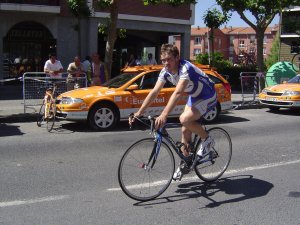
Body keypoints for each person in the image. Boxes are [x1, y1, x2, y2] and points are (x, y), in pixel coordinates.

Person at [129, 43, 217, 181]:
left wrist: (164, 115)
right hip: (194, 96)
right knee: (184, 130)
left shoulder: (185, 69)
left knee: (184, 119)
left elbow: (177, 93)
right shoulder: (165, 72)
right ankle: (186, 162)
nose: (165, 63)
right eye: (163, 60)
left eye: (168, 59)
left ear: (177, 58)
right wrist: (139, 113)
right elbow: (154, 92)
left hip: (208, 95)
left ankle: (207, 139)